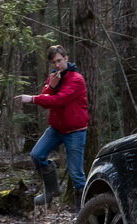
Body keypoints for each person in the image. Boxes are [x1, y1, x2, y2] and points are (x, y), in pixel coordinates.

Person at [14, 45, 89, 210]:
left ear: (66, 58)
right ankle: (52, 190)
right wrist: (51, 86)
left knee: (77, 175)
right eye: (54, 62)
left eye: (59, 60)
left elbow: (59, 100)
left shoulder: (76, 79)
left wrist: (32, 99)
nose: (57, 64)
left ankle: (81, 214)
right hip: (56, 129)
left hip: (75, 131)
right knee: (36, 154)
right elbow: (46, 99)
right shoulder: (55, 77)